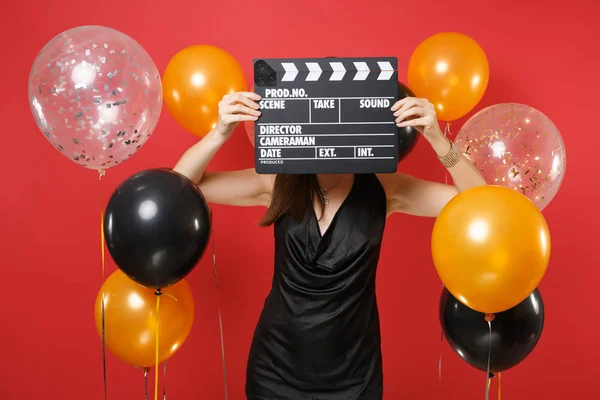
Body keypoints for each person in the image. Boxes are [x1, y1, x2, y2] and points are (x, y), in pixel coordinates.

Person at [174, 92, 486, 399]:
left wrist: (438, 140)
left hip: (353, 373)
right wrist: (219, 133)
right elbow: (179, 186)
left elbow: (482, 203)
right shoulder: (277, 180)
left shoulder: (383, 186)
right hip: (276, 367)